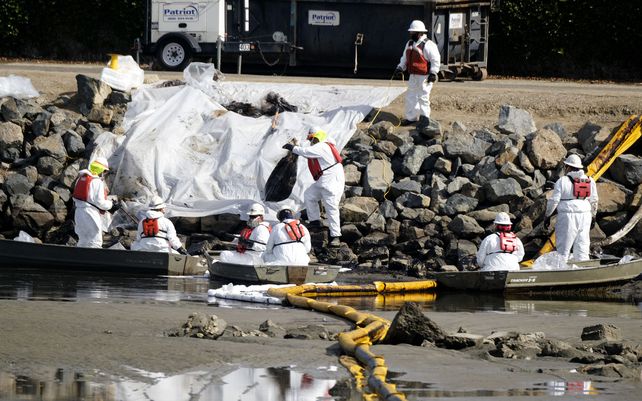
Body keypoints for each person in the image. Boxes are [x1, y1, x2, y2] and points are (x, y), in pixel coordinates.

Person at [282, 128, 344, 247]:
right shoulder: (321, 148)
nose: (311, 141)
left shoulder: (323, 146)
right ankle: (315, 221)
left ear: (318, 137)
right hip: (323, 180)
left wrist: (292, 148)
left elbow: (306, 152)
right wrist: (296, 147)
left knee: (331, 207)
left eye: (312, 138)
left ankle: (335, 236)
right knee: (309, 195)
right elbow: (307, 153)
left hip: (331, 182)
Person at [544, 154, 598, 262]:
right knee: (582, 247)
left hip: (568, 216)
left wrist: (547, 216)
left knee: (563, 248)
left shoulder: (562, 181)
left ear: (568, 167)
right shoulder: (590, 180)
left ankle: (561, 271)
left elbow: (554, 201)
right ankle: (582, 271)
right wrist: (594, 215)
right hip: (586, 215)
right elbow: (594, 200)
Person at [395, 20, 441, 128]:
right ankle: (411, 118)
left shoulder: (429, 45)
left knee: (423, 97)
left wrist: (433, 73)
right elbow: (405, 58)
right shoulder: (409, 43)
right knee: (411, 96)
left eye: (413, 32)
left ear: (420, 33)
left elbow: (436, 60)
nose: (411, 34)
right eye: (411, 32)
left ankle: (425, 119)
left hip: (425, 76)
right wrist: (400, 67)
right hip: (413, 75)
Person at [72, 157, 116, 248]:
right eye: (104, 171)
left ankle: (79, 259)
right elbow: (100, 202)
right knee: (95, 240)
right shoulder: (97, 182)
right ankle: (94, 259)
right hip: (90, 213)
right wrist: (111, 205)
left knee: (83, 240)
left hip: (79, 212)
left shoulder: (80, 179)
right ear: (101, 170)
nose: (104, 174)